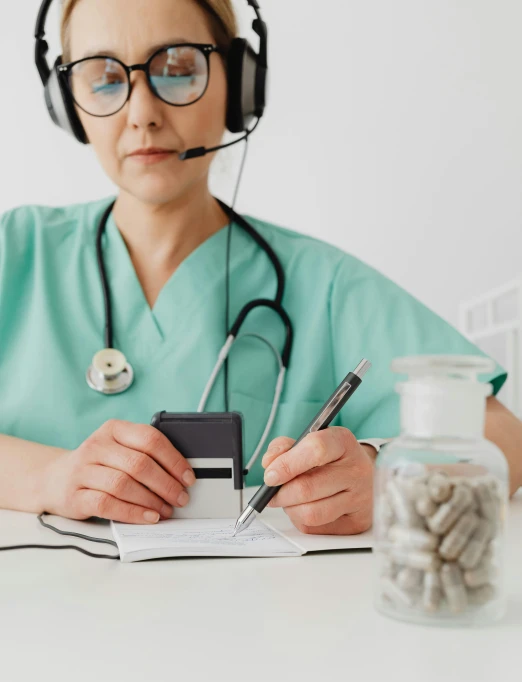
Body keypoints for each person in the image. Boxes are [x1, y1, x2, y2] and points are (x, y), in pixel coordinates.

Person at [0, 0, 520, 536]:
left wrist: (388, 482)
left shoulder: (326, 285)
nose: (141, 113)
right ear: (67, 101)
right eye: (104, 78)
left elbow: (500, 436)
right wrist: (51, 477)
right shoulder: (12, 252)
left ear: (239, 85)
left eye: (178, 70)